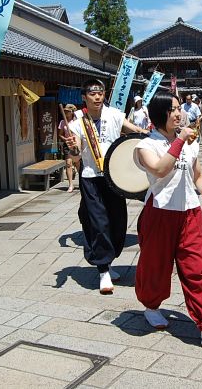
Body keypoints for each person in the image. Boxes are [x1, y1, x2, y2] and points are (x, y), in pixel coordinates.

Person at [133, 91, 202, 348]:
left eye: (178, 109)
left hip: (190, 212)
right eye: (172, 110)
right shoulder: (145, 145)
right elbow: (160, 169)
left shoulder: (187, 142)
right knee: (155, 264)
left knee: (199, 266)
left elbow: (197, 175)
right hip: (160, 213)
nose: (179, 114)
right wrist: (181, 142)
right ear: (159, 115)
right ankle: (151, 307)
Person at [65, 79, 148, 294]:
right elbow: (75, 156)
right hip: (91, 177)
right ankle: (102, 269)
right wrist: (73, 149)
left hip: (114, 177)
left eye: (100, 92)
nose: (97, 96)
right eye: (92, 93)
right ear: (84, 96)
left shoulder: (114, 115)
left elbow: (137, 132)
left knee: (118, 221)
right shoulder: (77, 123)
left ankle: (109, 262)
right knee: (98, 222)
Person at [59, 104, 80, 193]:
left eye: (68, 111)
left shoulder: (77, 122)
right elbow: (60, 134)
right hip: (67, 144)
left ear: (72, 112)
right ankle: (70, 184)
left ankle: (81, 182)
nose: (66, 113)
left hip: (76, 144)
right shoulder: (62, 122)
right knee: (68, 163)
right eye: (65, 111)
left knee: (78, 163)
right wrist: (65, 139)